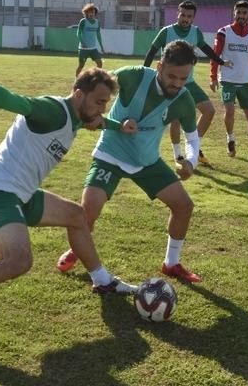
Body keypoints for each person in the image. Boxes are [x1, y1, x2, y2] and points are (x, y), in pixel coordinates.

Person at [0, 62, 138, 348]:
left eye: (105, 104)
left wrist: (117, 126)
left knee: (77, 216)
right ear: (79, 94)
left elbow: (95, 121)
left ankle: (103, 280)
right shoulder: (52, 110)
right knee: (17, 261)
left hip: (23, 194)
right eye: (98, 102)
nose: (101, 110)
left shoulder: (78, 115)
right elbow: (9, 100)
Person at [57, 40, 204, 283]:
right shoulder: (132, 77)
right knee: (87, 213)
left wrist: (190, 161)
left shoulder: (184, 99)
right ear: (159, 66)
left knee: (183, 206)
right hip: (110, 154)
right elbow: (93, 83)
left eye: (183, 78)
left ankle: (171, 263)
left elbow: (192, 138)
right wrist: (90, 114)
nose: (177, 83)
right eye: (172, 76)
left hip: (146, 161)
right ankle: (77, 249)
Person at [143, 0, 229, 167]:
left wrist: (221, 61)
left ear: (193, 18)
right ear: (178, 14)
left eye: (189, 16)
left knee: (209, 111)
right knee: (175, 118)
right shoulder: (165, 32)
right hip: (169, 84)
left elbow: (206, 50)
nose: (185, 18)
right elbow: (151, 52)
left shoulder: (196, 33)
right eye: (182, 14)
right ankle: (178, 155)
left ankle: (194, 147)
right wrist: (143, 74)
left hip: (188, 83)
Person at [209, 0, 248, 161]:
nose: (241, 15)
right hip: (227, 80)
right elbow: (215, 56)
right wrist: (213, 77)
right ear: (234, 13)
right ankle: (230, 139)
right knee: (230, 110)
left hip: (245, 81)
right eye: (238, 12)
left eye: (244, 13)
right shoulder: (223, 32)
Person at [75, 3, 104, 76]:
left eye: (93, 12)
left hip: (93, 48)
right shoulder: (83, 21)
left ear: (95, 13)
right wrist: (83, 43)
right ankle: (77, 80)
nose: (92, 14)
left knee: (99, 63)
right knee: (81, 66)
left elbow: (98, 34)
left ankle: (95, 78)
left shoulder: (97, 22)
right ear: (86, 13)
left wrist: (101, 46)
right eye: (90, 12)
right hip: (83, 49)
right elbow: (78, 33)